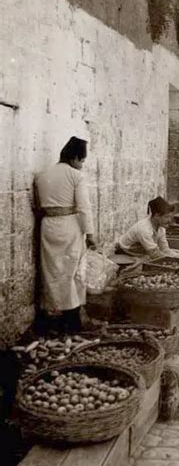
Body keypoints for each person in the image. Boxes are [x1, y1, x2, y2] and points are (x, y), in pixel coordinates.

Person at [34, 136, 96, 334]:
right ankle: (72, 321)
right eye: (82, 160)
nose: (82, 165)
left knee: (52, 272)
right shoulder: (75, 176)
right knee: (71, 272)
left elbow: (37, 205)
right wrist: (90, 233)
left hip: (48, 226)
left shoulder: (42, 175)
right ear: (75, 157)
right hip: (69, 226)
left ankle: (52, 317)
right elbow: (84, 207)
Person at [117, 196, 179, 261]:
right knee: (149, 259)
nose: (170, 220)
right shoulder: (144, 229)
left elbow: (164, 249)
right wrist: (177, 260)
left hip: (145, 248)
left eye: (170, 217)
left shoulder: (161, 227)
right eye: (166, 217)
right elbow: (155, 254)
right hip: (127, 250)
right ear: (157, 216)